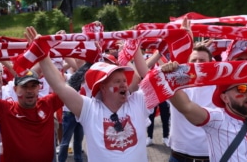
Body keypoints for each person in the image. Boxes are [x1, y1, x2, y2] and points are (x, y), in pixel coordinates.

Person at [25, 26, 153, 161]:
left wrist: (134, 49)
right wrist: (42, 55)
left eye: (124, 80)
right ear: (102, 87)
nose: (123, 85)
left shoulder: (137, 102)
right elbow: (60, 86)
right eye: (116, 81)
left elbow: (149, 81)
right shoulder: (89, 109)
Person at [168, 45, 215, 162]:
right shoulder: (175, 85)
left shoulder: (221, 87)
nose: (197, 63)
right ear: (187, 63)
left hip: (211, 156)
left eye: (202, 60)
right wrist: (165, 71)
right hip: (179, 156)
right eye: (194, 60)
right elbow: (145, 75)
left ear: (210, 63)